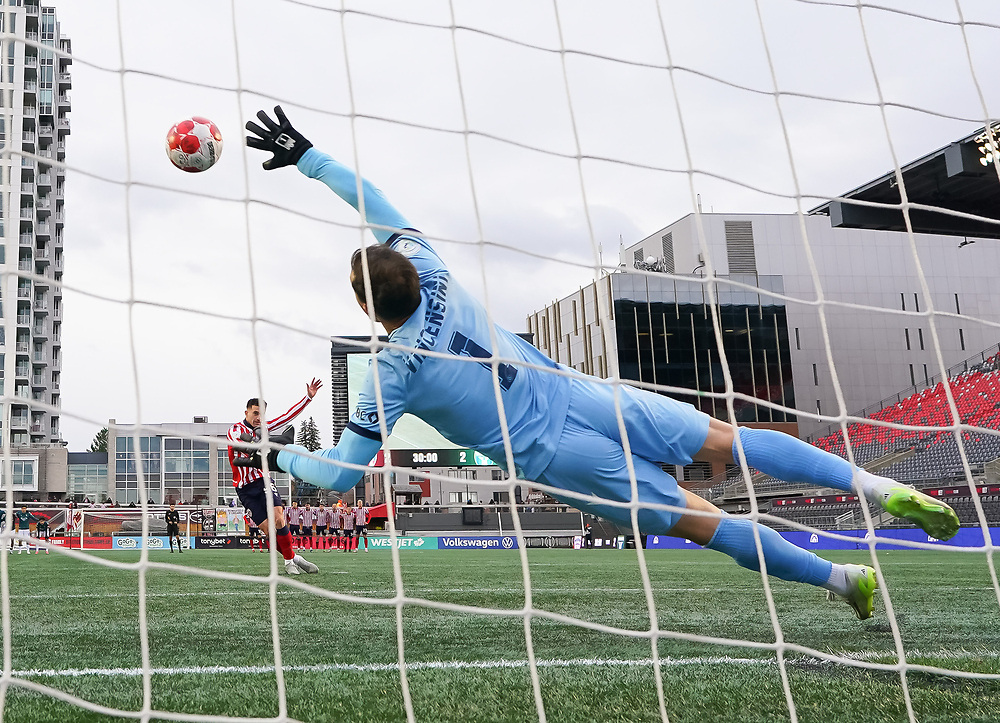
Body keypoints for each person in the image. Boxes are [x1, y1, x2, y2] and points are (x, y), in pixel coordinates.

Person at [244, 107, 961, 619]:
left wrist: (281, 462)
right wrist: (308, 156)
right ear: (404, 264)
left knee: (704, 521)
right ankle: (873, 483)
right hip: (583, 392)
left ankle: (844, 579)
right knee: (730, 440)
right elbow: (372, 201)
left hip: (557, 451)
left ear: (370, 311)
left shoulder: (391, 370)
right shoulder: (431, 267)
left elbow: (339, 472)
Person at [227, 381, 322, 575]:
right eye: (255, 413)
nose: (258, 418)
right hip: (244, 488)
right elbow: (241, 445)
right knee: (269, 531)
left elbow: (287, 416)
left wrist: (308, 398)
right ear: (246, 413)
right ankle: (294, 557)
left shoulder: (265, 427)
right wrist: (260, 443)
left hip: (263, 480)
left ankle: (288, 563)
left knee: (279, 518)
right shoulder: (235, 429)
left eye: (261, 414)